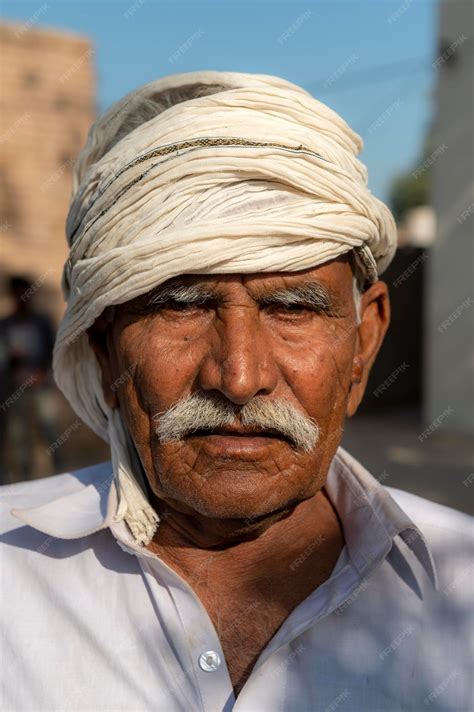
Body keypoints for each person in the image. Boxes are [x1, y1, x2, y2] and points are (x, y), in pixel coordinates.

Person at [0, 71, 472, 712]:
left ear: (363, 346)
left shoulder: (462, 590)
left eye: (293, 309)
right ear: (106, 349)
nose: (240, 376)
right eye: (181, 307)